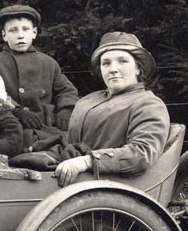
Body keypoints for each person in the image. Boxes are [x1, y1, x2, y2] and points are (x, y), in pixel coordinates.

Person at [52, 32, 170, 185]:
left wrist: (87, 161)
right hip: (67, 177)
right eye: (106, 63)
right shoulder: (87, 100)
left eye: (122, 61)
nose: (113, 69)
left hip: (110, 186)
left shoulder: (148, 103)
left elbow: (142, 153)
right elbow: (68, 143)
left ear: (138, 68)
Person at [0, 5, 78, 145]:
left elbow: (66, 91)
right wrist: (16, 111)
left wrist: (66, 109)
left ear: (34, 33)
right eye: (13, 30)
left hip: (48, 126)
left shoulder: (48, 62)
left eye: (25, 29)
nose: (20, 35)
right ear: (4, 36)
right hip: (11, 126)